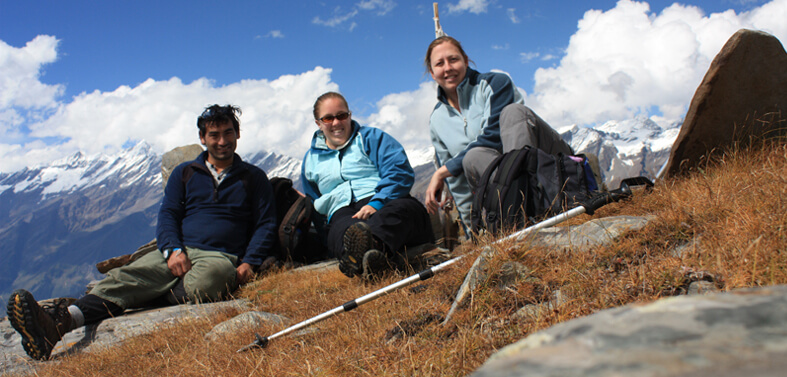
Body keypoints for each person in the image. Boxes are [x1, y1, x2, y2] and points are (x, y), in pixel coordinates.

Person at [7, 104, 278, 360]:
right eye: (214, 135)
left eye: (228, 133)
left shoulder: (253, 177)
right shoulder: (185, 173)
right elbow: (168, 214)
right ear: (202, 138)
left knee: (211, 279)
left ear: (238, 134)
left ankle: (143, 294)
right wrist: (173, 250)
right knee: (124, 277)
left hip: (220, 255)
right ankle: (59, 324)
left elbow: (266, 223)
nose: (222, 141)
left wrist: (249, 262)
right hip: (180, 249)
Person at [424, 36, 574, 229]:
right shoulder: (436, 120)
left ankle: (535, 205)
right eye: (439, 63)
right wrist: (474, 230)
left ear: (466, 61)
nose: (447, 68)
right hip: (505, 190)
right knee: (473, 157)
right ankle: (520, 217)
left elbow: (493, 137)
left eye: (453, 59)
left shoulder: (495, 83)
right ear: (432, 72)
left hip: (545, 164)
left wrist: (442, 172)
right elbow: (459, 184)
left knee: (513, 113)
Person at [301, 92, 434, 279]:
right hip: (341, 212)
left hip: (384, 200)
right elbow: (313, 199)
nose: (336, 123)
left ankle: (367, 250)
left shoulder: (372, 137)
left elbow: (398, 172)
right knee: (342, 230)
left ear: (350, 115)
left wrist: (376, 203)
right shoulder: (310, 159)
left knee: (401, 210)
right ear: (318, 123)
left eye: (341, 115)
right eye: (328, 118)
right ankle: (368, 254)